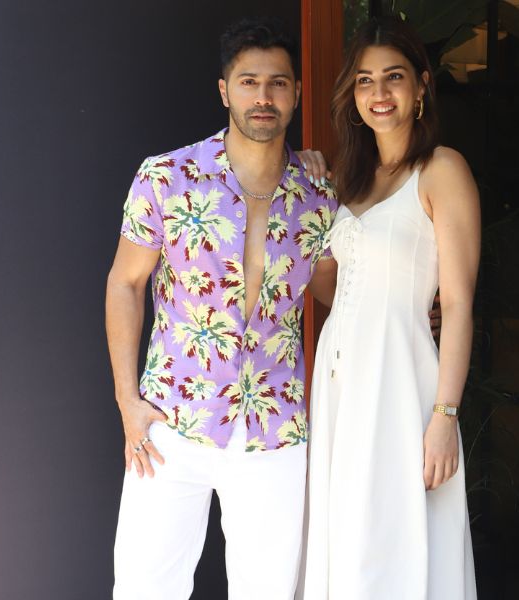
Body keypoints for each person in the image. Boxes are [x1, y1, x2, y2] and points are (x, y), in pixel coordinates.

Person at [106, 17, 337, 599]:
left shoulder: (318, 196)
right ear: (224, 91)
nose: (264, 97)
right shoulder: (167, 178)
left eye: (278, 83)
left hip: (275, 427)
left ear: (296, 93)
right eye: (249, 82)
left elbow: (338, 291)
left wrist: (411, 307)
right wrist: (128, 402)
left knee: (269, 591)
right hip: (172, 419)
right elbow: (125, 283)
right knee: (145, 588)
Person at [302, 16, 479, 599]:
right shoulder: (348, 179)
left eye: (394, 77)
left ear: (422, 85)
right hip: (340, 383)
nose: (379, 93)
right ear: (352, 96)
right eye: (364, 80)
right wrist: (308, 189)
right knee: (348, 533)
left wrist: (445, 416)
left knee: (391, 535)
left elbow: (458, 303)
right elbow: (334, 289)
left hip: (401, 382)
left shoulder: (442, 169)